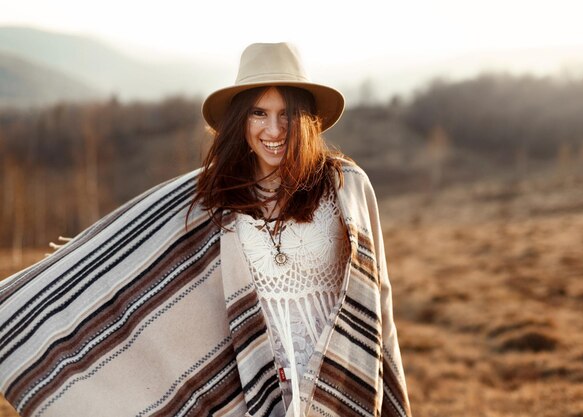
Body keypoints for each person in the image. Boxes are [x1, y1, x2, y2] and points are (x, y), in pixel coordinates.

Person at [0, 42, 411, 417]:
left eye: (286, 114)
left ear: (306, 118)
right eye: (259, 113)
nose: (274, 130)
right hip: (257, 392)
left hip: (340, 384)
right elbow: (124, 256)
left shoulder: (346, 187)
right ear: (240, 119)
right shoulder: (213, 197)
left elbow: (380, 299)